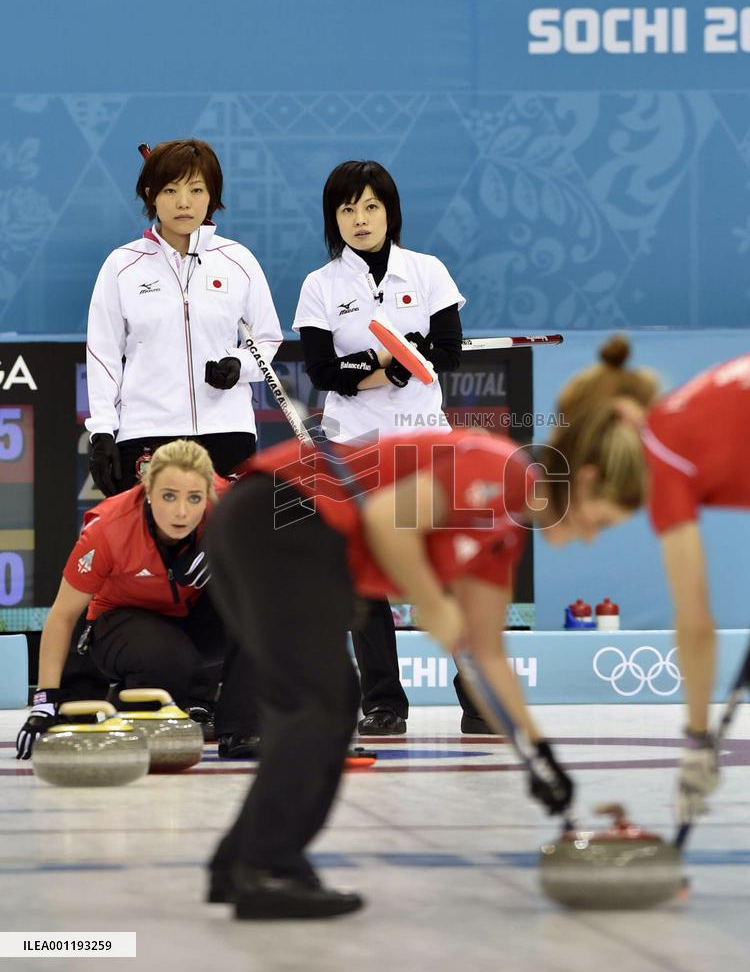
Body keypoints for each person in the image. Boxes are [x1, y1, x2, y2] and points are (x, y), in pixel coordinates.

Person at [202, 428, 579, 919]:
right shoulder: (500, 468)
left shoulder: (502, 536)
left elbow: (486, 655)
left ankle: (240, 866)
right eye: (607, 514)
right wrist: (433, 605)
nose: (595, 532)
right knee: (317, 704)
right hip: (279, 514)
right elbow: (388, 520)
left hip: (280, 528)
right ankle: (267, 867)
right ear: (585, 483)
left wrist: (539, 754)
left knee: (332, 703)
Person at [547, 336, 750, 900]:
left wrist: (697, 741)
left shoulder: (663, 456)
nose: (604, 528)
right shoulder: (688, 407)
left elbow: (696, 622)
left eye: (598, 522)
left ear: (589, 478)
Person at [293, 159, 486, 736]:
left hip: (427, 449)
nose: (359, 219)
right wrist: (395, 367)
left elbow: (447, 352)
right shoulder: (319, 285)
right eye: (346, 209)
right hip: (354, 450)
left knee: (448, 571)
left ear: (390, 212)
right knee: (365, 580)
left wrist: (400, 363)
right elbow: (325, 371)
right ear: (333, 218)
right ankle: (383, 702)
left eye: (370, 206)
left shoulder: (427, 272)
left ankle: (478, 697)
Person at [15, 440, 258, 761]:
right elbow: (62, 616)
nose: (181, 511)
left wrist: (225, 549)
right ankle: (133, 706)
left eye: (194, 498)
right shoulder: (108, 528)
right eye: (168, 496)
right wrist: (44, 704)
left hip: (194, 621)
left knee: (261, 609)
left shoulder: (228, 506)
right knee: (170, 657)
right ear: (147, 489)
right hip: (122, 627)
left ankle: (241, 729)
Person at [85, 138, 283, 493]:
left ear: (212, 196)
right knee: (151, 544)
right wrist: (101, 431)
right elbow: (103, 355)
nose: (183, 202)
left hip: (227, 432)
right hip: (147, 433)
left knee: (223, 546)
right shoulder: (122, 266)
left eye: (196, 189)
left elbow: (267, 338)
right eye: (170, 190)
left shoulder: (238, 261)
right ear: (151, 195)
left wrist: (240, 366)